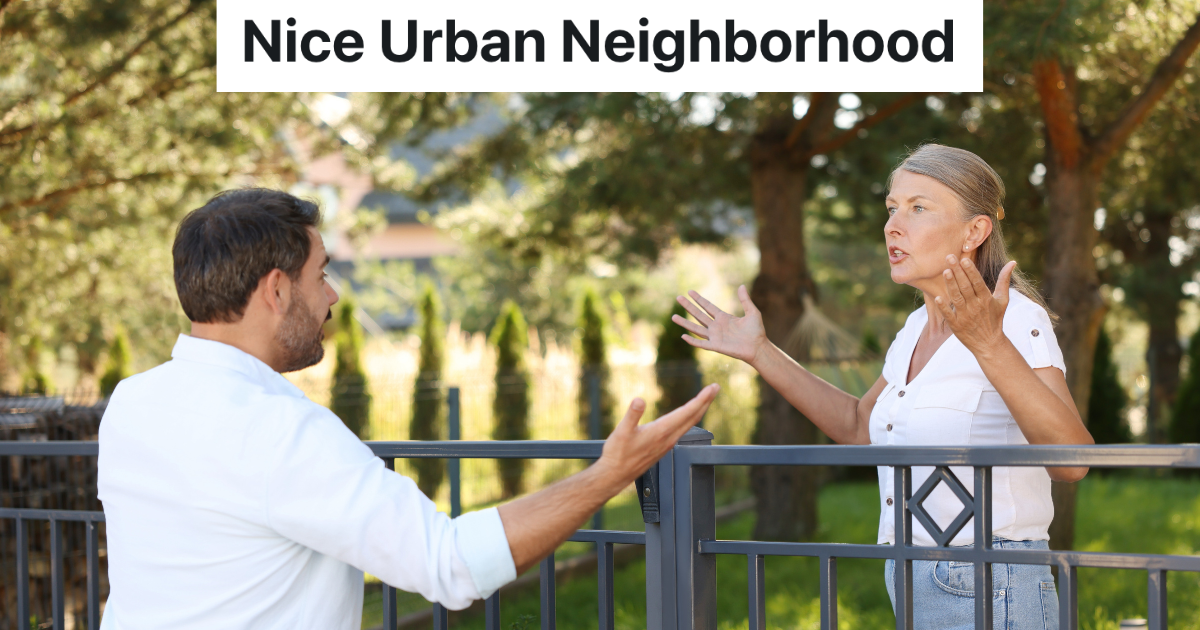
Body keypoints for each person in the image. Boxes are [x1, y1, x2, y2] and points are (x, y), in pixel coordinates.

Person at [97, 188, 719, 630]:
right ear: (277, 289)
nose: (331, 296)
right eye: (321, 275)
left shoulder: (132, 403)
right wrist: (608, 474)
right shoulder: (279, 430)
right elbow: (451, 564)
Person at [671, 144, 1092, 630]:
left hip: (992, 579)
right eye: (892, 208)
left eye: (918, 208)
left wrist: (988, 343)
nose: (893, 225)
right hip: (909, 573)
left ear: (975, 231)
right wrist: (760, 352)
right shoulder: (913, 329)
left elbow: (1071, 461)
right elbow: (859, 426)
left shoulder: (1015, 318)